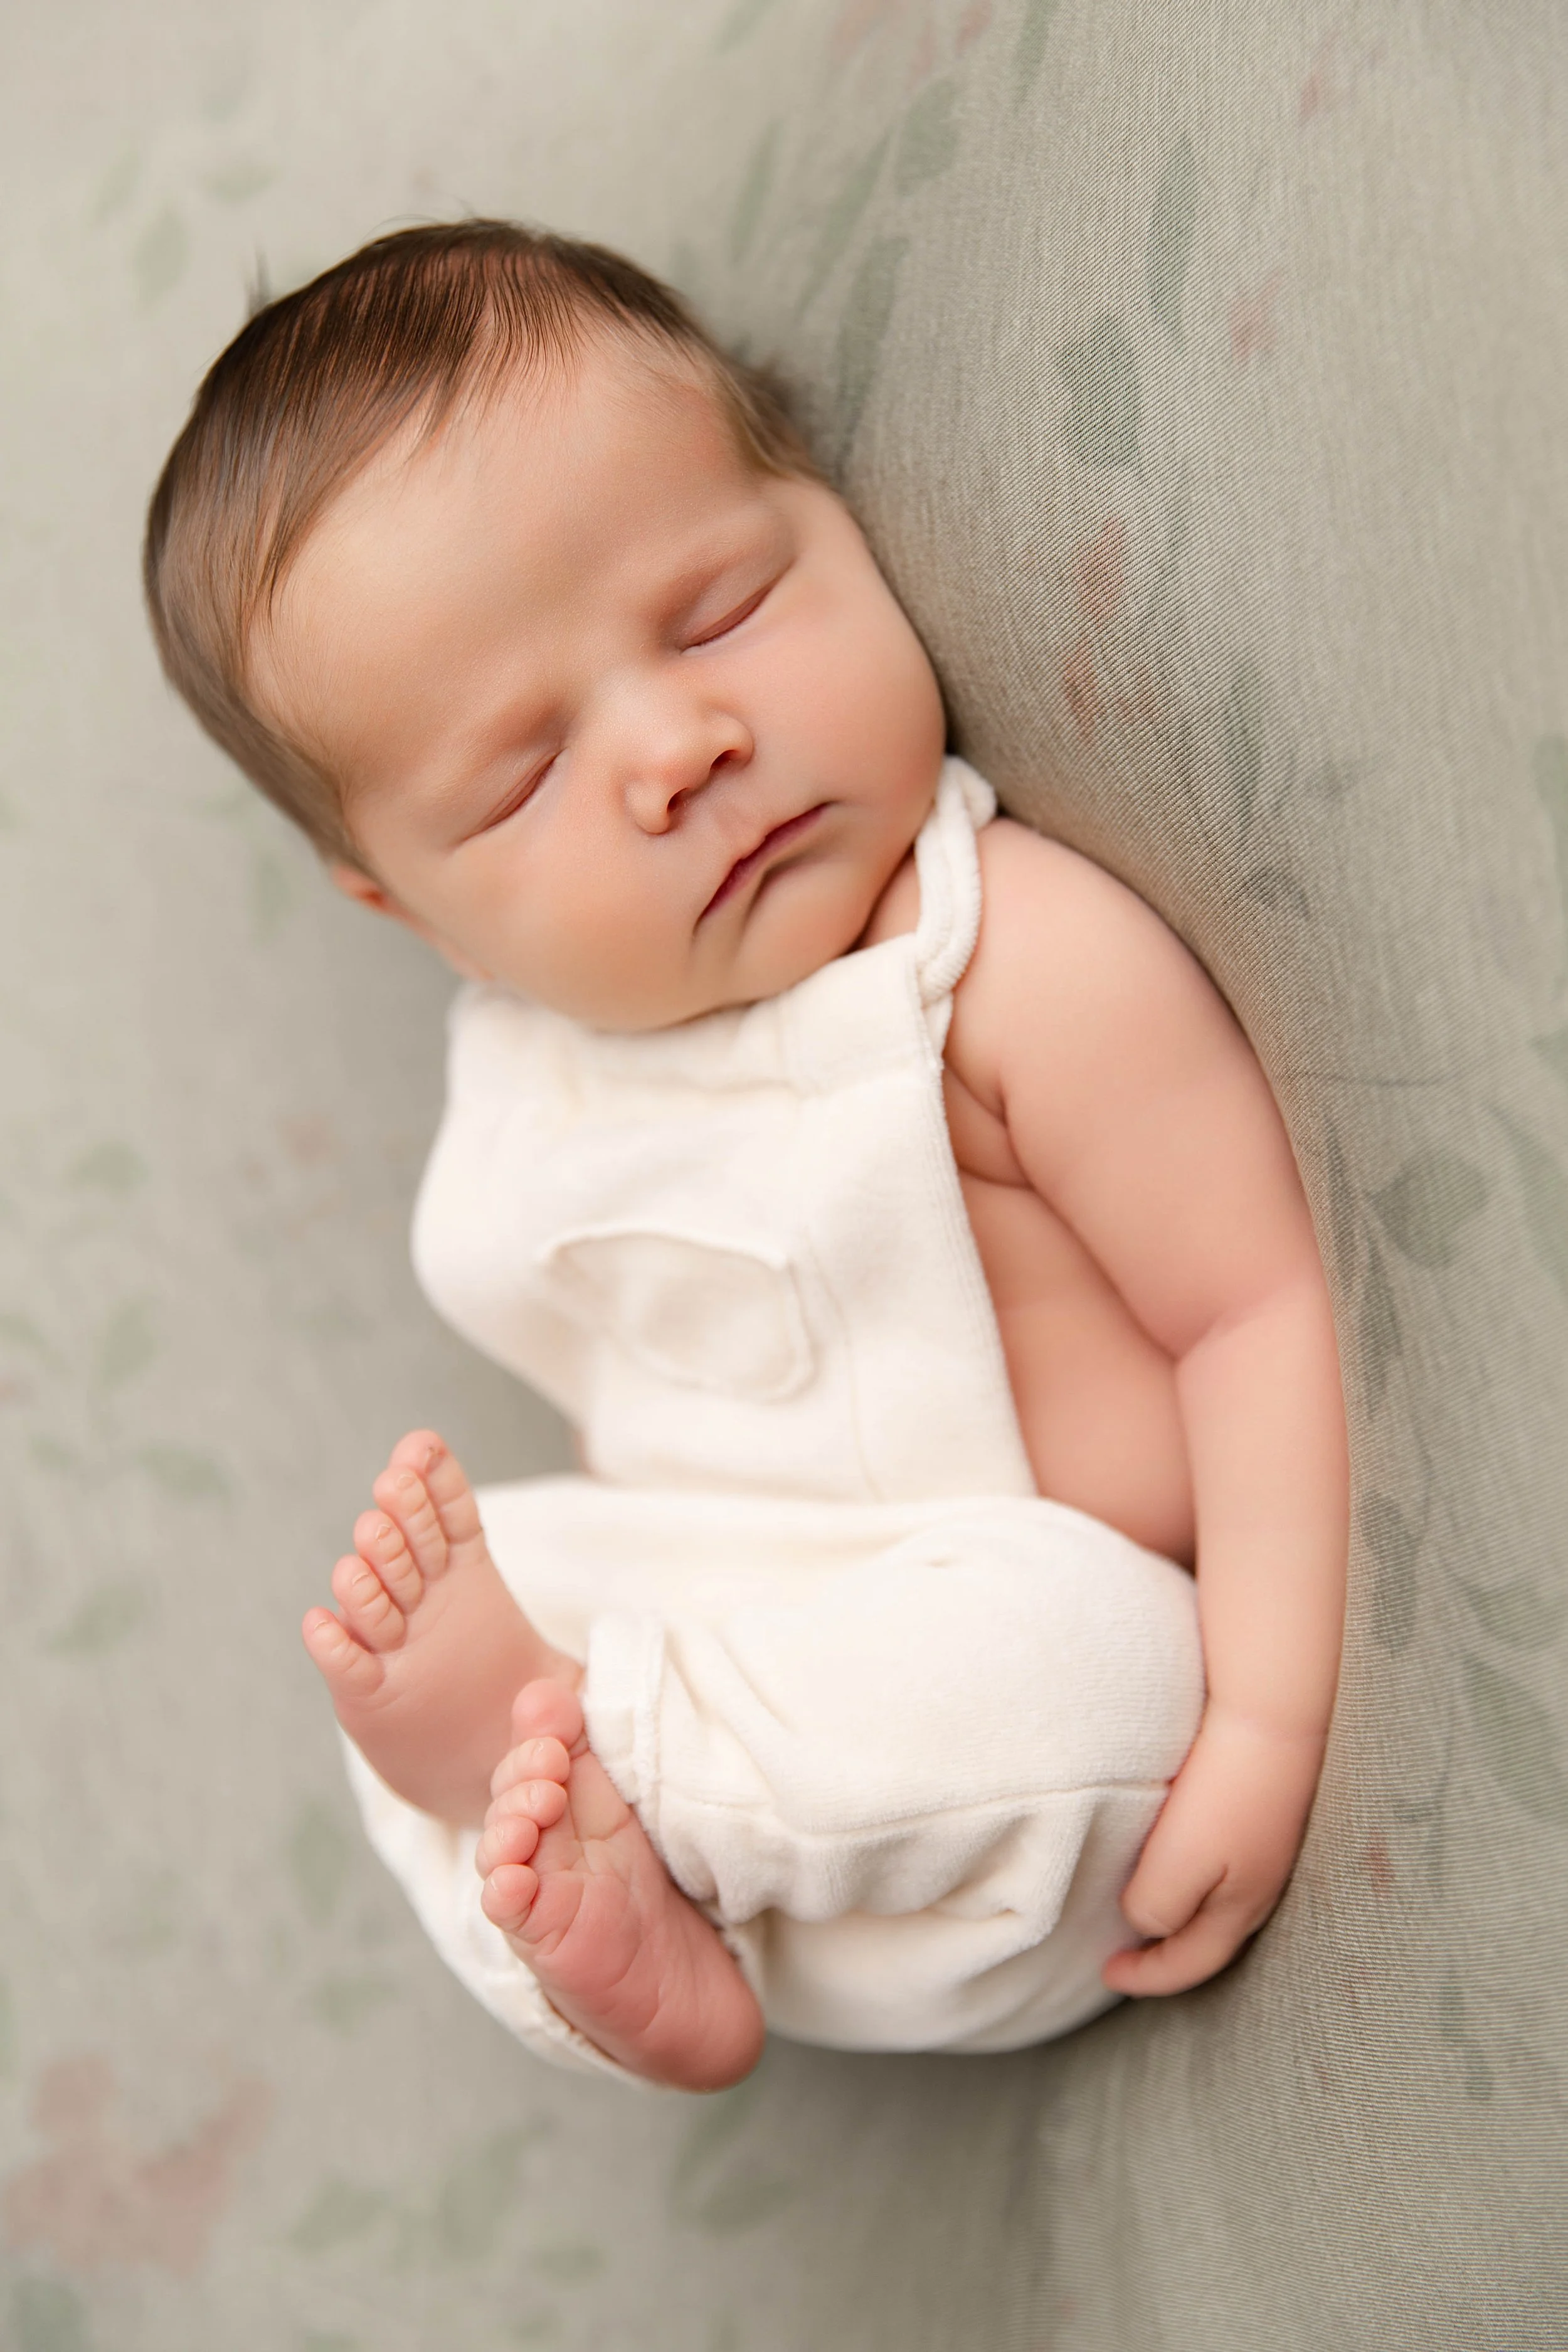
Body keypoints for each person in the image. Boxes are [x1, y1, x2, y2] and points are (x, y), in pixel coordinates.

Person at [143, 221, 1348, 2092]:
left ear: (831, 511)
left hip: (1022, 1786)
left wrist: (1267, 1720)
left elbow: (1259, 1310)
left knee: (1100, 1648)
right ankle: (607, 1921)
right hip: (752, 1708)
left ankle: (629, 1792)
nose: (678, 747)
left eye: (712, 611)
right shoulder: (540, 1080)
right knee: (454, 1615)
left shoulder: (996, 961)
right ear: (420, 913)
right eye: (521, 777)